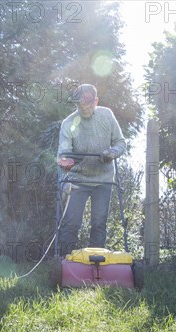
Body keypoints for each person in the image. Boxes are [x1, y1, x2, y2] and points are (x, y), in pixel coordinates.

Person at [56, 84, 126, 256]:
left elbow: (120, 143)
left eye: (88, 103)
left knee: (99, 222)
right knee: (71, 223)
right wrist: (66, 162)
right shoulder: (69, 123)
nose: (84, 107)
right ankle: (67, 264)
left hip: (103, 179)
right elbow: (63, 154)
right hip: (78, 180)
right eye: (80, 104)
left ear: (96, 101)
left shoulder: (106, 115)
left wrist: (112, 152)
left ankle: (96, 267)